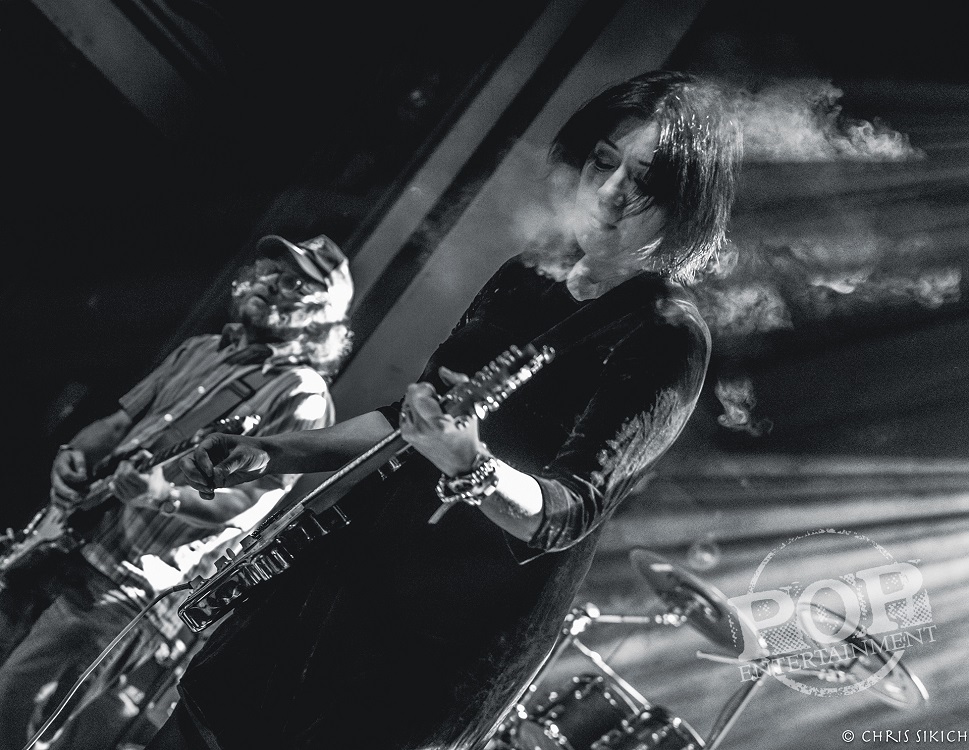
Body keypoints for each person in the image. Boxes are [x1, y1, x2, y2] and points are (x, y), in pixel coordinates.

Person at [153, 70, 742, 750]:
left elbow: (567, 512)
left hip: (437, 643)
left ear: (685, 204)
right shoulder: (530, 273)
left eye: (644, 180)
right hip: (349, 581)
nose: (610, 192)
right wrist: (270, 453)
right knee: (201, 726)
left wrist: (472, 466)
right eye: (601, 162)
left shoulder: (665, 335)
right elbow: (408, 419)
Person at [0, 232, 354, 750]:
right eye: (272, 270)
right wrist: (73, 454)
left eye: (295, 283)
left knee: (11, 709)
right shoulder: (201, 349)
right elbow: (118, 424)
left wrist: (161, 495)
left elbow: (246, 504)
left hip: (125, 585)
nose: (272, 283)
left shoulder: (301, 393)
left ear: (322, 316)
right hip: (62, 541)